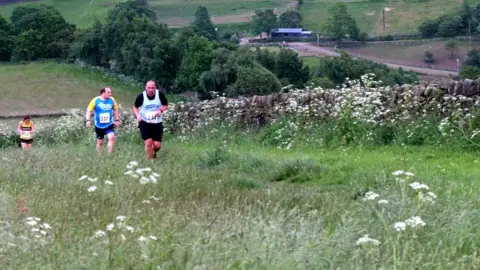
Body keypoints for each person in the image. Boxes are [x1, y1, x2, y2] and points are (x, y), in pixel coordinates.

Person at [133, 80, 168, 160]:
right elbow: (135, 107)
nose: (151, 90)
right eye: (149, 88)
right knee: (148, 143)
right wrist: (138, 115)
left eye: (152, 88)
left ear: (155, 88)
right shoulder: (141, 96)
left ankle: (153, 152)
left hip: (157, 122)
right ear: (146, 88)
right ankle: (149, 162)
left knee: (157, 145)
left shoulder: (159, 94)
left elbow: (166, 105)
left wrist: (160, 110)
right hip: (144, 122)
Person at [85, 87, 120, 156]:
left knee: (112, 137)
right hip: (99, 125)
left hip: (109, 123)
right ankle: (99, 157)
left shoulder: (112, 100)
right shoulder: (95, 100)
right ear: (103, 93)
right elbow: (89, 110)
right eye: (108, 92)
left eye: (111, 92)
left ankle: (109, 156)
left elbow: (116, 109)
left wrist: (117, 120)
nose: (110, 94)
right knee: (100, 143)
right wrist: (88, 120)